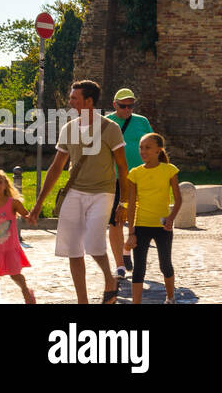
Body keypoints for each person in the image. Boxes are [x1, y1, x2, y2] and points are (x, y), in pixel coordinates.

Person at [29, 79, 130, 304]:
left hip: (103, 192)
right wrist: (38, 204)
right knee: (73, 249)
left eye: (75, 97)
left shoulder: (110, 128)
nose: (70, 101)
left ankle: (109, 280)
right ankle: (82, 301)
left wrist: (123, 202)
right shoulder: (69, 128)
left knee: (93, 243)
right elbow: (56, 168)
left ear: (89, 101)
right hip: (74, 192)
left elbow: (123, 168)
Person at [124, 132, 182, 304]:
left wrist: (171, 218)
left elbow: (178, 199)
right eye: (141, 147)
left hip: (162, 227)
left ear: (159, 150)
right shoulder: (134, 173)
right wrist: (131, 232)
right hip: (141, 226)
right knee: (138, 269)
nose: (143, 151)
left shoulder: (169, 170)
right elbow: (132, 204)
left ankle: (170, 298)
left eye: (148, 148)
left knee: (165, 265)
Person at [104, 88, 151, 288]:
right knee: (116, 220)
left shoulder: (142, 121)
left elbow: (153, 146)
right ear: (115, 105)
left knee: (139, 220)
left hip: (139, 177)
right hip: (113, 178)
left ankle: (127, 248)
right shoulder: (106, 123)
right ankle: (120, 265)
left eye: (131, 105)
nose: (127, 109)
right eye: (123, 106)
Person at [0, 169, 35, 303]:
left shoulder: (13, 203)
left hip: (9, 247)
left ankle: (25, 290)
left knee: (15, 274)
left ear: (5, 184)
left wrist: (31, 217)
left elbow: (26, 215)